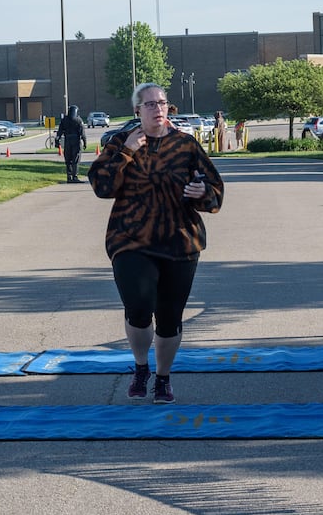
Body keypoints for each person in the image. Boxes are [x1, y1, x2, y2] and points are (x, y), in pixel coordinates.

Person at [89, 82, 224, 404]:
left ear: (169, 107)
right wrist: (126, 152)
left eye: (161, 103)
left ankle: (162, 377)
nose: (157, 109)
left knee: (169, 317)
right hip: (130, 239)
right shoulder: (121, 143)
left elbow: (215, 190)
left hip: (180, 240)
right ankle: (140, 368)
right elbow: (102, 186)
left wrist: (202, 193)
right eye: (149, 104)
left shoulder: (186, 145)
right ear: (137, 111)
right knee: (138, 307)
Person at [52, 105, 88, 183]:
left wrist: (57, 141)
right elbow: (82, 133)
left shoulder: (64, 120)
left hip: (67, 141)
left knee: (68, 159)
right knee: (76, 159)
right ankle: (74, 177)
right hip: (76, 141)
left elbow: (59, 132)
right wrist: (85, 142)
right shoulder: (78, 120)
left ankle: (69, 177)